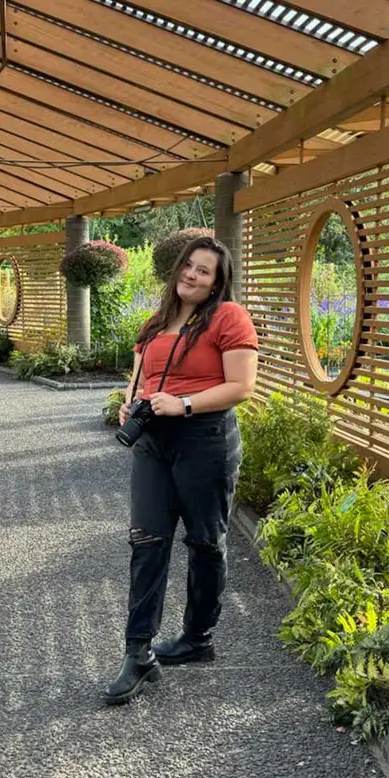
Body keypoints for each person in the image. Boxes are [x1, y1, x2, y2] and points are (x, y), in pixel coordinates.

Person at [104, 236, 259, 705]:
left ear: (217, 283)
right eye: (188, 265)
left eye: (204, 270)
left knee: (205, 543)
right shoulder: (154, 324)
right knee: (146, 541)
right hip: (153, 443)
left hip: (204, 440)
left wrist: (184, 403)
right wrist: (128, 405)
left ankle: (197, 637)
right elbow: (142, 378)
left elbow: (242, 386)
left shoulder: (228, 318)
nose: (192, 274)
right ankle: (138, 653)